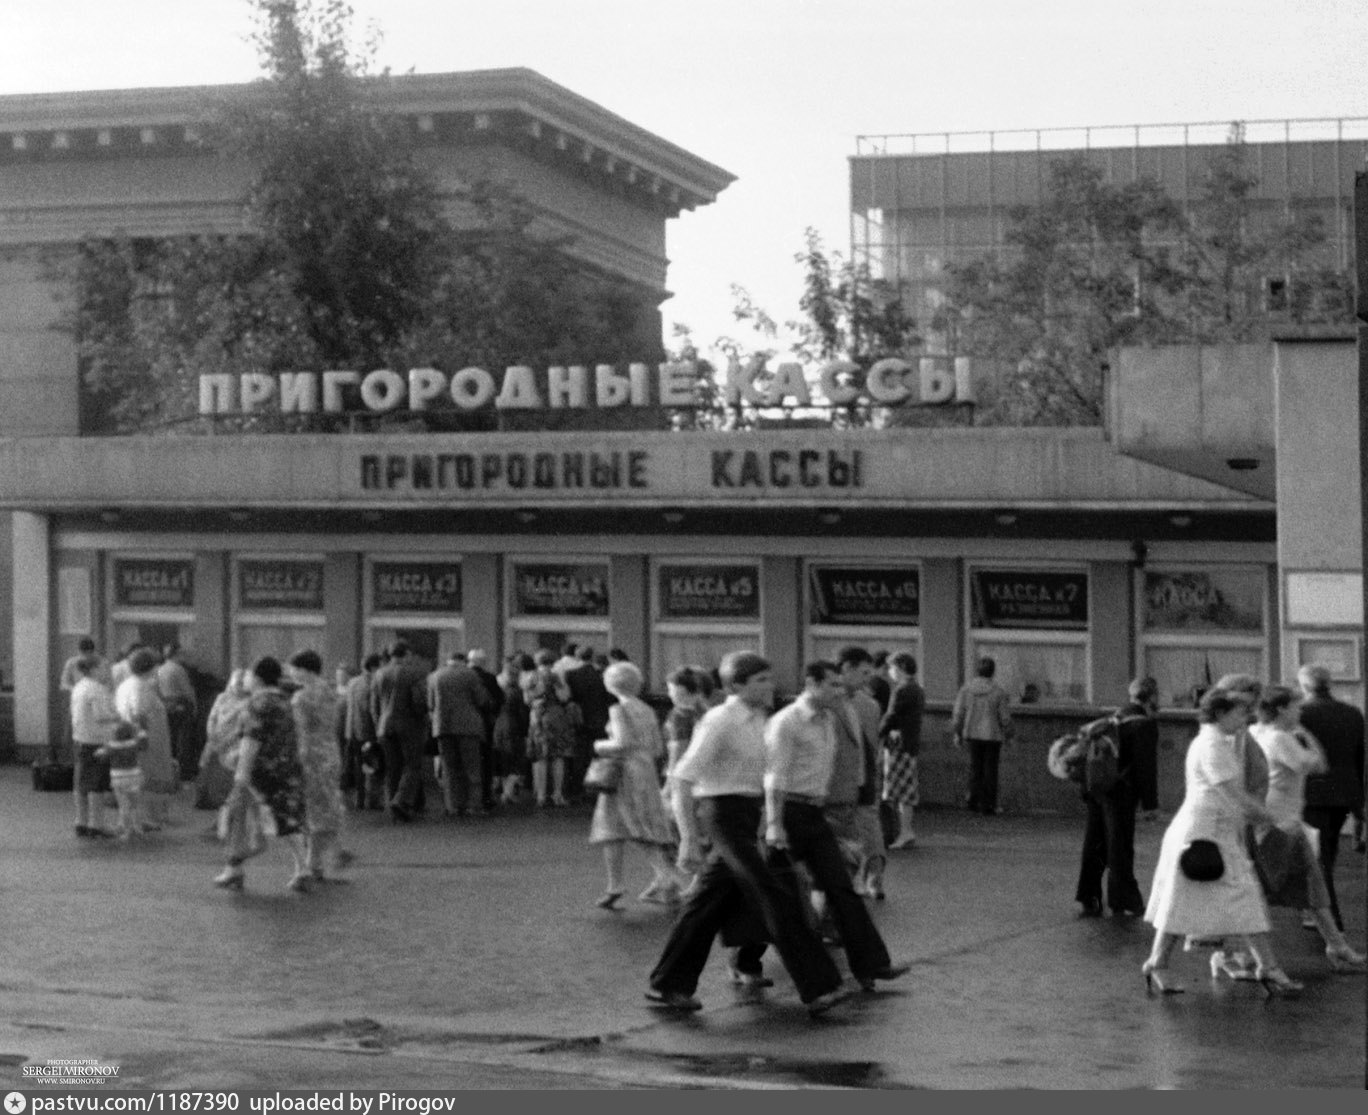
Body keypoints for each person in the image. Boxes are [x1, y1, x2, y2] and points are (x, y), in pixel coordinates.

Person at [646, 652, 853, 1017]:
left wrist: (767, 819)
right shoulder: (720, 720)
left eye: (770, 678)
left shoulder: (761, 721)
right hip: (720, 813)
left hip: (745, 814)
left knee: (705, 904)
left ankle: (669, 984)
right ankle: (820, 986)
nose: (770, 686)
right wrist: (689, 838)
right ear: (735, 686)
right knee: (774, 892)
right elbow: (682, 777)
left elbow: (767, 774)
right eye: (760, 680)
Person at [1140, 689, 1301, 996]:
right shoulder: (1212, 745)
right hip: (1206, 835)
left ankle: (1157, 962)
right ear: (1221, 714)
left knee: (1184, 899)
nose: (1245, 719)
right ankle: (1267, 967)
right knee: (1242, 896)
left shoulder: (1211, 742)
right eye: (1240, 713)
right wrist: (1272, 819)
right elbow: (1234, 796)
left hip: (1206, 833)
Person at [766, 660, 911, 994]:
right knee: (777, 896)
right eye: (831, 684)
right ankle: (746, 960)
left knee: (841, 887)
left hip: (816, 813)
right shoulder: (787, 722)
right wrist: (774, 824)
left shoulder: (828, 720)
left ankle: (871, 964)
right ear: (812, 683)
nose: (839, 690)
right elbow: (774, 776)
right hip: (787, 811)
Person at [1249, 685, 1365, 971]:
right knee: (1259, 892)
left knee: (1312, 888)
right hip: (1279, 826)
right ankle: (1240, 953)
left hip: (1279, 824)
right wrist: (1306, 735)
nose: (1300, 711)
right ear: (1281, 710)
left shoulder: (1257, 733)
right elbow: (1318, 764)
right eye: (1296, 707)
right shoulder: (1281, 738)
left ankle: (1337, 946)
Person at [588, 662, 685, 908]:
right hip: (645, 770)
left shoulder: (618, 710)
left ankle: (656, 878)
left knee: (615, 825)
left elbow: (621, 742)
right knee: (640, 824)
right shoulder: (648, 710)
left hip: (623, 772)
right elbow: (656, 748)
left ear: (610, 685)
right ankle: (651, 878)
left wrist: (600, 745)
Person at [214, 656, 309, 891]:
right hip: (287, 768)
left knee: (239, 820)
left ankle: (233, 869)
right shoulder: (285, 702)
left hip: (260, 772)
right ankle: (302, 867)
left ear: (256, 678)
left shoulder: (256, 704)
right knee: (287, 821)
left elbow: (251, 740)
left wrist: (241, 774)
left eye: (248, 674)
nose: (245, 678)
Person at [1075, 677, 1160, 918]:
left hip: (1097, 789)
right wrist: (1150, 805)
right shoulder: (1143, 725)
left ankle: (1088, 896)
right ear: (1152, 697)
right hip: (1121, 792)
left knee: (1094, 843)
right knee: (1119, 845)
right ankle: (1124, 899)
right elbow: (1146, 768)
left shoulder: (1113, 719)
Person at [1296, 663, 1365, 934]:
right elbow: (1360, 757)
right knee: (1328, 852)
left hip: (1312, 793)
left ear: (1303, 686)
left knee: (1317, 858)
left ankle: (1330, 920)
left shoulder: (1300, 714)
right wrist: (1359, 799)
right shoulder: (1352, 713)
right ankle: (1314, 909)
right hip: (1344, 794)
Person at [824, 645, 887, 900]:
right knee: (868, 826)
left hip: (840, 780)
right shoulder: (870, 705)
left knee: (845, 830)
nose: (866, 680)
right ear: (846, 668)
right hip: (865, 775)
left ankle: (846, 882)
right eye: (863, 673)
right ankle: (874, 876)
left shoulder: (832, 703)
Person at [289, 650, 350, 885]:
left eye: (294, 668)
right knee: (327, 804)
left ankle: (313, 862)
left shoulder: (301, 698)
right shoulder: (329, 691)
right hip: (330, 751)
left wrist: (298, 758)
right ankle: (324, 856)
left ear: (305, 669)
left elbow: (301, 732)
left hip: (311, 756)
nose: (291, 673)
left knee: (312, 811)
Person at [114, 647, 178, 826]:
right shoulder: (141, 687)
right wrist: (142, 736)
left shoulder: (125, 685)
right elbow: (138, 712)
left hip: (131, 738)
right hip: (149, 741)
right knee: (149, 778)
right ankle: (148, 818)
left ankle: (133, 818)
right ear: (150, 667)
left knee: (136, 778)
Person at [370, 640, 430, 823]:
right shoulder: (415, 673)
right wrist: (423, 718)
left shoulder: (379, 674)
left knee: (392, 766)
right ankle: (401, 800)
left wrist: (378, 723)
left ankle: (393, 805)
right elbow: (419, 701)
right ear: (407, 654)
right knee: (412, 765)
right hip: (409, 725)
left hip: (384, 726)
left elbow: (373, 705)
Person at [427, 651, 492, 817]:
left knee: (450, 768)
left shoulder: (435, 676)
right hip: (468, 726)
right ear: (463, 661)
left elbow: (431, 704)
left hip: (443, 726)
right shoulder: (470, 675)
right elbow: (481, 699)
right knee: (472, 768)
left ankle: (453, 805)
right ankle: (474, 805)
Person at [950, 656, 1013, 815]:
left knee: (974, 768)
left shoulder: (966, 689)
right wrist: (1009, 735)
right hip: (992, 735)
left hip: (971, 733)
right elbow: (1004, 717)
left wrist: (957, 732)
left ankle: (972, 800)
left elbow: (958, 713)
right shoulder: (998, 692)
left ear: (977, 671)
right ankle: (988, 805)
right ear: (993, 672)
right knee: (990, 770)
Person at [69, 656, 119, 838]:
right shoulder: (97, 690)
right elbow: (101, 715)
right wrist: (118, 716)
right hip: (97, 741)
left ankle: (80, 822)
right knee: (97, 785)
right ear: (94, 669)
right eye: (105, 667)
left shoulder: (79, 686)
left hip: (80, 739)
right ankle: (96, 825)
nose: (108, 671)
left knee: (81, 783)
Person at [879, 651, 924, 850]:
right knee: (905, 790)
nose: (890, 672)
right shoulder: (917, 689)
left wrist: (878, 733)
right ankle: (905, 830)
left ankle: (904, 831)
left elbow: (891, 716)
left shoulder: (902, 690)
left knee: (900, 791)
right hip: (909, 743)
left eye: (892, 667)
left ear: (901, 668)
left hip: (899, 745)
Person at [523, 649, 577, 807]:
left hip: (537, 717)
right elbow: (564, 696)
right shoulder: (556, 676)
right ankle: (557, 794)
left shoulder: (530, 677)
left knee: (540, 756)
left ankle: (540, 795)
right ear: (553, 661)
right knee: (558, 756)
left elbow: (526, 700)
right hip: (556, 716)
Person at [198, 668, 252, 811]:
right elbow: (212, 717)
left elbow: (242, 728)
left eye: (242, 683)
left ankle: (226, 808)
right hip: (215, 740)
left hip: (234, 743)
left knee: (227, 778)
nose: (238, 686)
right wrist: (211, 735)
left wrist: (226, 742)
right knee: (209, 773)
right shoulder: (222, 697)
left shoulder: (250, 702)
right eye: (236, 682)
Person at [565, 644, 613, 802]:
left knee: (580, 754)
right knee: (597, 754)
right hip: (599, 718)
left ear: (577, 657)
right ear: (592, 657)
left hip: (580, 719)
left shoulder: (571, 675)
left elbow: (570, 697)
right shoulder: (601, 675)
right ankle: (597, 786)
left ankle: (578, 787)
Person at [492, 652, 533, 803]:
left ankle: (505, 791)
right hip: (513, 727)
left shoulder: (498, 689)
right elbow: (522, 714)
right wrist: (526, 730)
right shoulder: (517, 692)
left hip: (499, 726)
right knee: (515, 761)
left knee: (503, 760)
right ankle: (507, 793)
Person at [467, 649, 506, 810]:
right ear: (483, 662)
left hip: (461, 725)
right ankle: (484, 797)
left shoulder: (461, 675)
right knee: (484, 762)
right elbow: (499, 699)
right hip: (484, 725)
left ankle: (463, 799)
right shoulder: (489, 678)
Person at [98, 721, 150, 838]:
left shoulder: (112, 746)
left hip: (119, 779)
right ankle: (138, 828)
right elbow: (144, 745)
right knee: (135, 805)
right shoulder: (133, 744)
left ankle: (126, 831)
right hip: (135, 777)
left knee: (123, 806)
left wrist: (99, 752)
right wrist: (142, 731)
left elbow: (102, 757)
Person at [343, 654, 381, 810]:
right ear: (373, 667)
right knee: (371, 765)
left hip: (352, 730)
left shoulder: (352, 682)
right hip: (368, 730)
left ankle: (360, 799)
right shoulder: (372, 683)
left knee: (359, 765)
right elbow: (371, 709)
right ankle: (372, 800)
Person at [156, 643, 198, 779]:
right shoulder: (178, 669)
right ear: (177, 654)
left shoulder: (159, 669)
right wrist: (194, 706)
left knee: (170, 739)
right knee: (183, 739)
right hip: (180, 706)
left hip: (165, 706)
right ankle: (183, 772)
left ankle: (168, 769)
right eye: (182, 654)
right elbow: (187, 690)